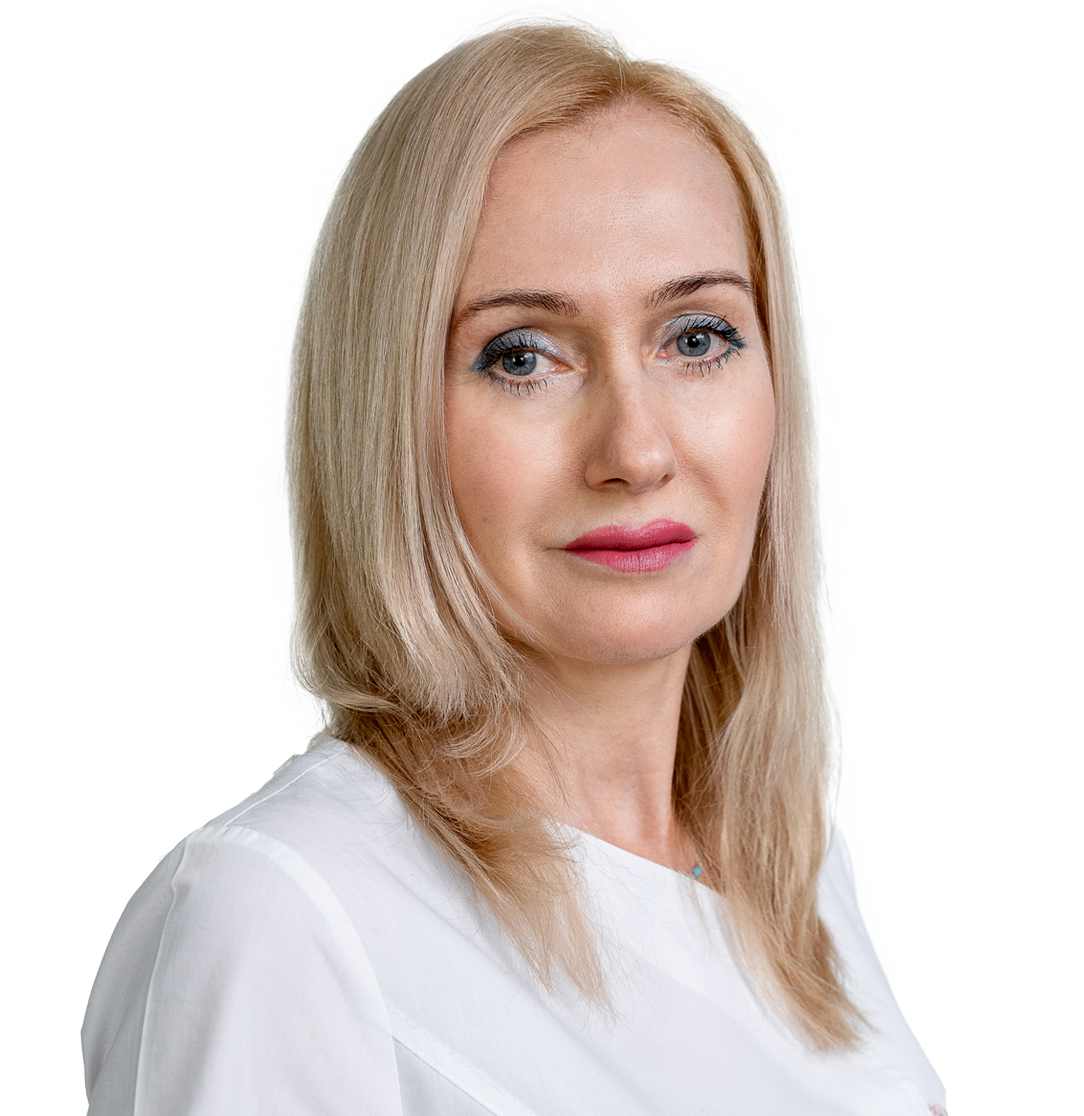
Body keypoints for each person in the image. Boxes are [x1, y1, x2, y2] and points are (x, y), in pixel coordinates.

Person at [81, 19, 949, 1115]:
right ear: (388, 420)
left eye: (696, 337)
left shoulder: (790, 867)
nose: (637, 450)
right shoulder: (283, 915)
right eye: (522, 356)